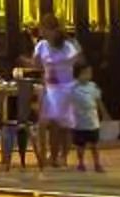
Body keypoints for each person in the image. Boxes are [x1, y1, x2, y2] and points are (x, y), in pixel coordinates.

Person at [30, 17, 82, 168]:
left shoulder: (68, 45)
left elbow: (78, 62)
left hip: (66, 87)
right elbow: (36, 64)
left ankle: (63, 155)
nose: (41, 32)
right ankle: (51, 155)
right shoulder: (41, 45)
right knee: (50, 123)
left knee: (65, 124)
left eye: (43, 28)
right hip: (50, 88)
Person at [68, 64, 108, 172]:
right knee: (80, 145)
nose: (88, 75)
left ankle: (97, 163)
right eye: (85, 73)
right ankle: (81, 163)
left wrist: (103, 113)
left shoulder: (93, 86)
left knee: (94, 145)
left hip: (92, 121)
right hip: (79, 122)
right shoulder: (72, 88)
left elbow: (98, 101)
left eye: (89, 73)